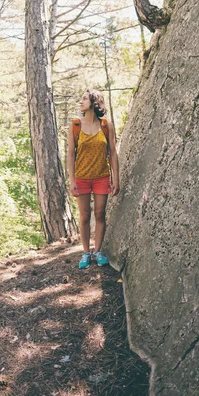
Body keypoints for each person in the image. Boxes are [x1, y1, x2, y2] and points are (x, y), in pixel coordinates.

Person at [67, 89, 120, 269]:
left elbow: (113, 154)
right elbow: (70, 155)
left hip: (101, 177)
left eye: (84, 98)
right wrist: (72, 180)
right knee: (84, 216)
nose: (80, 101)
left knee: (99, 214)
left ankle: (97, 251)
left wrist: (116, 179)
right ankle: (85, 253)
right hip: (81, 177)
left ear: (94, 102)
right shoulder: (75, 125)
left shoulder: (106, 126)